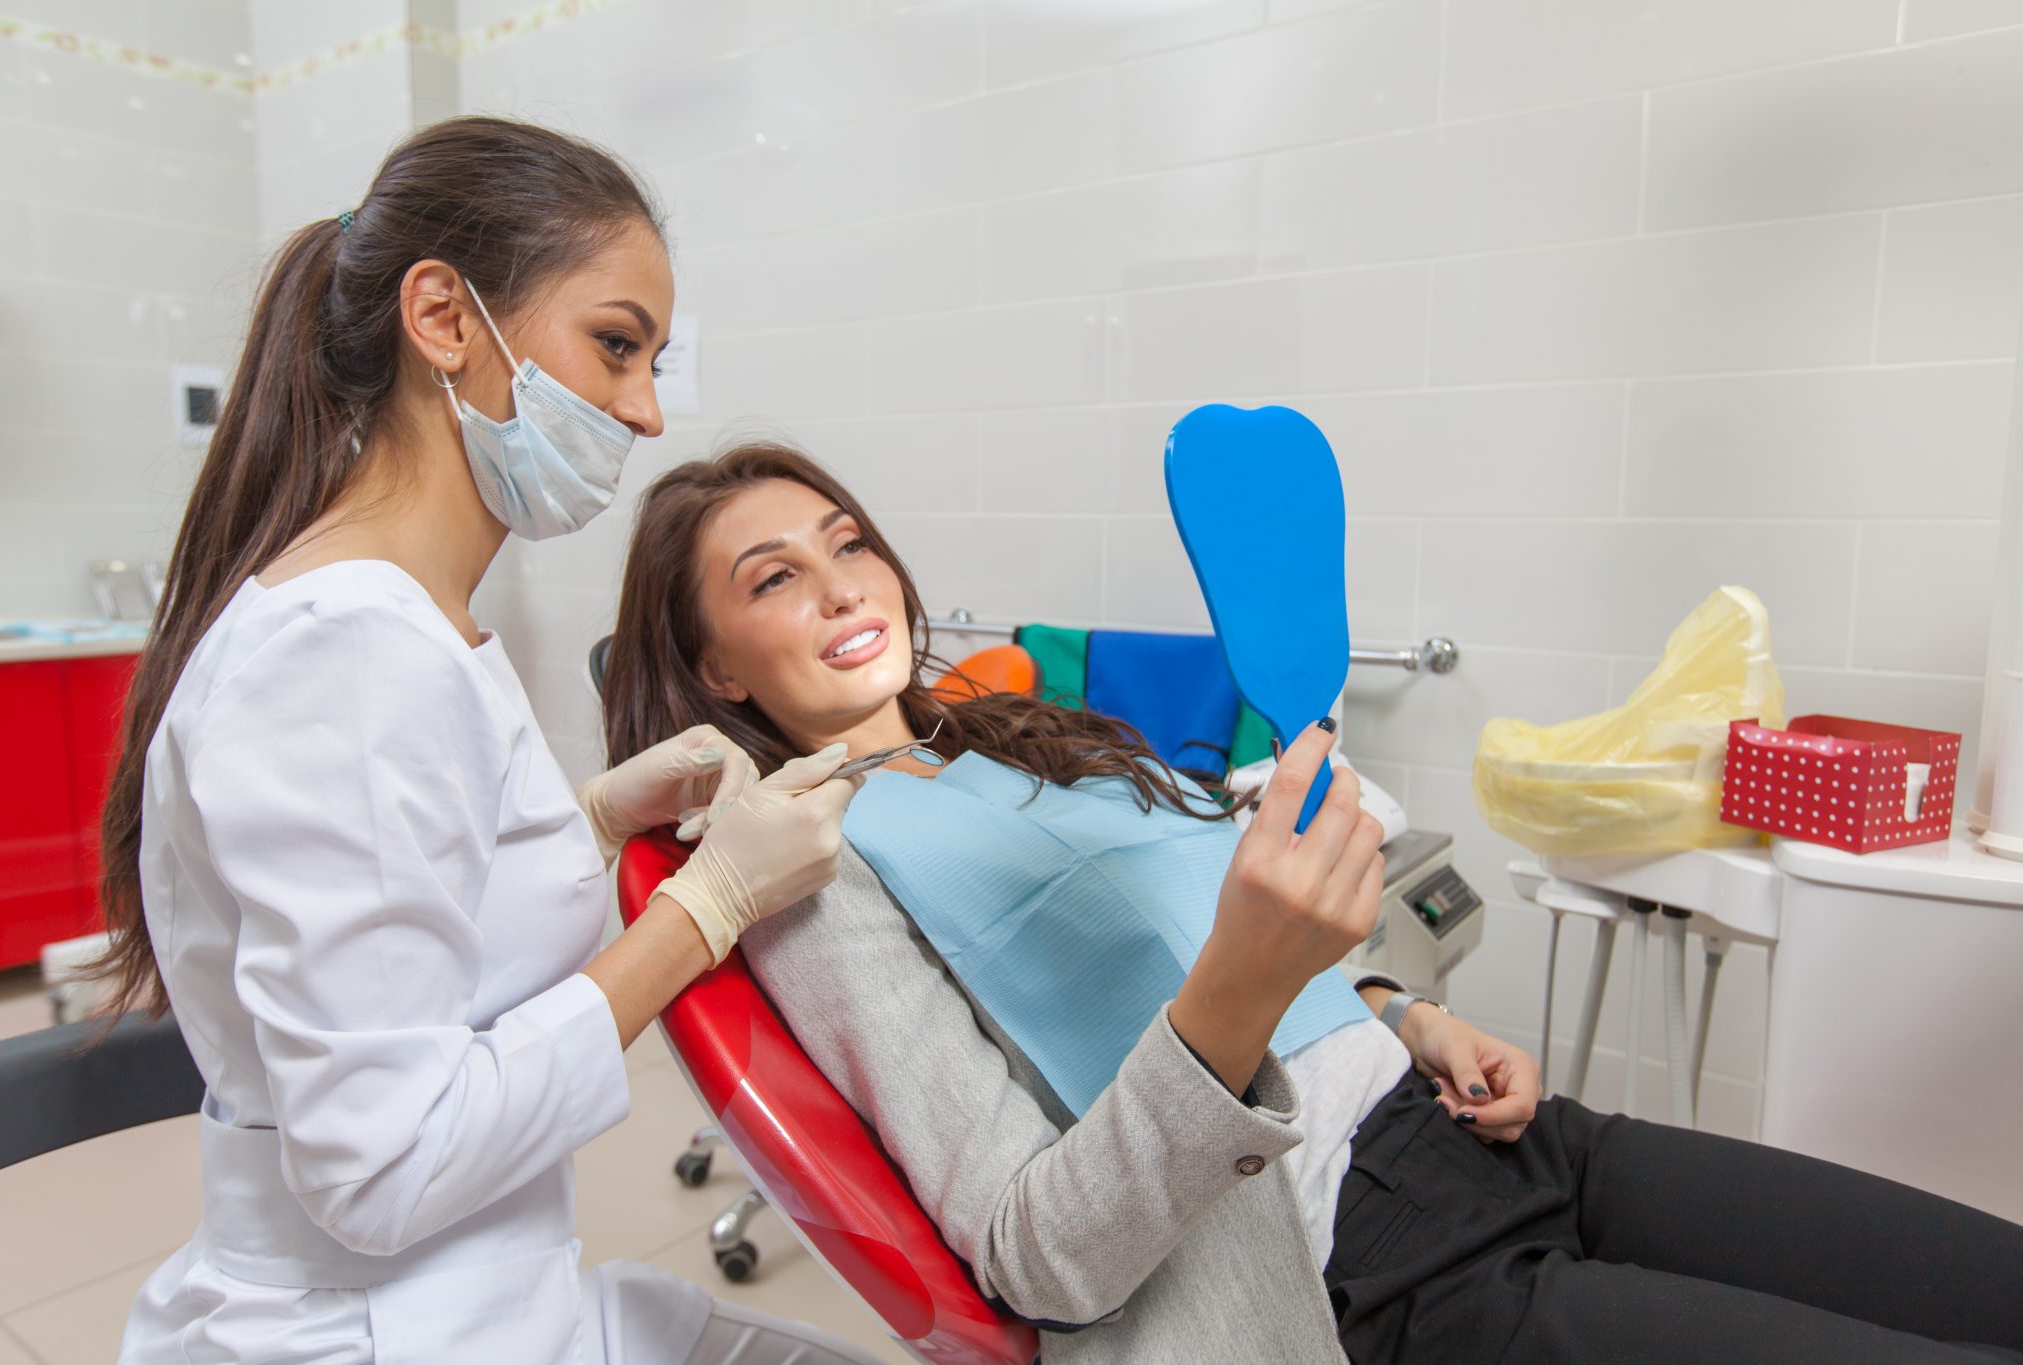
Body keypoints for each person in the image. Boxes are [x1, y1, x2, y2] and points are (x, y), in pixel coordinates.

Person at [601, 439, 2023, 1365]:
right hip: (1363, 1264)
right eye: (775, 580)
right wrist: (1235, 990)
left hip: (1503, 1137)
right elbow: (1035, 1252)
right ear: (717, 664)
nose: (849, 588)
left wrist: (1406, 1014)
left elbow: (1215, 941)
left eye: (851, 542)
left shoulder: (1013, 738)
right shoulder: (814, 866)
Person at [97, 119, 880, 1364]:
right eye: (615, 347)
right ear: (444, 320)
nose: (645, 412)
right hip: (376, 1323)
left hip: (489, 1291)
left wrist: (591, 819)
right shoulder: (342, 653)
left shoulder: (415, 620)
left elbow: (411, 906)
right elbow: (388, 1168)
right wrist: (709, 907)